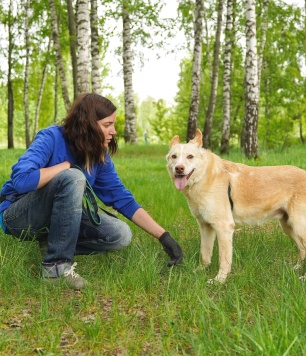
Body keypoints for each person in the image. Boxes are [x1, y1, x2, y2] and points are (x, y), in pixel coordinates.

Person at [0, 93, 183, 290]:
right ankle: (55, 269)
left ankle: (52, 246)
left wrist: (163, 236)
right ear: (87, 124)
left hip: (55, 219)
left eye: (113, 125)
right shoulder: (51, 137)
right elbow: (21, 180)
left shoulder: (98, 156)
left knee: (120, 234)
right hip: (17, 216)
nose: (113, 131)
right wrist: (67, 166)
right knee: (72, 176)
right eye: (107, 125)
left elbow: (122, 199)